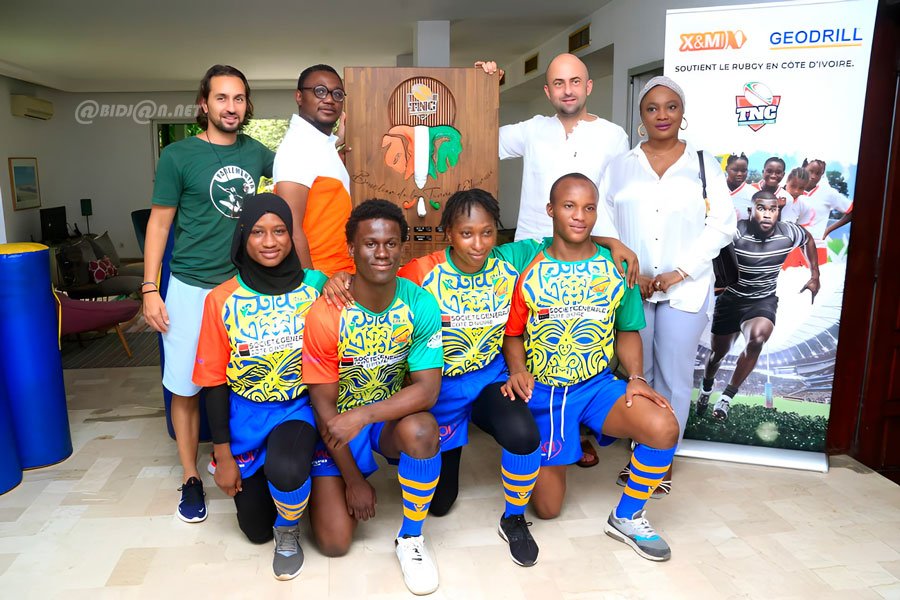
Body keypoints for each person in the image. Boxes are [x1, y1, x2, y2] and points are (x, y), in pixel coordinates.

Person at [502, 172, 679, 562]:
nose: (579, 216)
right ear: (550, 210)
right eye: (569, 206)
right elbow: (512, 333)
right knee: (547, 509)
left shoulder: (618, 267)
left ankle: (627, 517)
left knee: (664, 425)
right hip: (546, 394)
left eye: (588, 207)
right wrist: (517, 369)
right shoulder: (526, 263)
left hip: (597, 387)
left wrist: (635, 377)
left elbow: (629, 329)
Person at [142, 64, 275, 523]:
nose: (231, 107)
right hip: (189, 287)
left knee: (243, 379)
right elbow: (159, 225)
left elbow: (302, 180)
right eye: (221, 98)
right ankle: (190, 477)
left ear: (247, 104)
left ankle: (236, 458)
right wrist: (148, 288)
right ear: (204, 104)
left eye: (238, 99)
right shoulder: (178, 156)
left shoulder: (259, 153)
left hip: (242, 289)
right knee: (185, 385)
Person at [593, 76, 735, 495]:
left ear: (682, 113)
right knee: (640, 372)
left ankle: (661, 460)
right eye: (652, 108)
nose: (661, 115)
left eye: (670, 106)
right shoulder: (620, 165)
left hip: (685, 287)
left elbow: (721, 225)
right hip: (632, 286)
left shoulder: (705, 164)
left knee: (673, 376)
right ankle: (644, 450)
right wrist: (622, 254)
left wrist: (679, 271)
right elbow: (601, 218)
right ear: (641, 116)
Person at [302, 200, 444, 596]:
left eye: (390, 243)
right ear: (351, 248)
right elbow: (324, 407)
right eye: (370, 244)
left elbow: (428, 391)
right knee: (334, 543)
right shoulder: (327, 313)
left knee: (422, 430)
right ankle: (334, 479)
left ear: (402, 248)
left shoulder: (419, 303)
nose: (381, 253)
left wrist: (364, 416)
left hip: (378, 419)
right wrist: (353, 481)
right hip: (335, 428)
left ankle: (411, 539)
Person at [397, 189, 543, 567]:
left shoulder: (511, 259)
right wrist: (339, 283)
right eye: (466, 233)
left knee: (524, 434)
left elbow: (567, 235)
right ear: (448, 232)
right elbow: (375, 290)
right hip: (439, 391)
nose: (478, 244)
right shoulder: (421, 272)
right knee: (441, 505)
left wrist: (612, 244)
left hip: (489, 380)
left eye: (487, 232)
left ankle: (513, 518)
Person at [192, 194, 325, 580]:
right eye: (258, 232)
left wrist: (341, 281)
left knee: (285, 470)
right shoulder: (221, 299)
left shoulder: (315, 286)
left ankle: (289, 529)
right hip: (245, 413)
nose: (270, 242)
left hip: (298, 407)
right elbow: (213, 381)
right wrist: (223, 454)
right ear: (243, 238)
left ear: (292, 235)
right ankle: (289, 491)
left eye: (280, 231)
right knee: (253, 531)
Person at [697, 191, 820, 420]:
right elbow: (708, 248)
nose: (767, 214)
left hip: (762, 301)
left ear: (778, 212)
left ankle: (726, 398)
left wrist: (815, 275)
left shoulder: (788, 233)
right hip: (731, 300)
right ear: (751, 211)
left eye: (772, 209)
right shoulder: (735, 232)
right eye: (761, 208)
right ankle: (706, 388)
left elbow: (809, 239)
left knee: (757, 340)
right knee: (716, 355)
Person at [274, 64, 354, 276]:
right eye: (319, 91)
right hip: (320, 278)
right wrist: (311, 285)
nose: (329, 99)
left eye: (337, 94)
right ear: (299, 96)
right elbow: (290, 228)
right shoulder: (296, 149)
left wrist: (336, 140)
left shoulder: (318, 144)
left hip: (338, 273)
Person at [804, 158, 853, 262]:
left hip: (816, 247)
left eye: (818, 174)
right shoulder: (790, 190)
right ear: (804, 168)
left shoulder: (828, 193)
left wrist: (828, 230)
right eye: (810, 171)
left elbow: (852, 211)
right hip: (791, 249)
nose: (813, 176)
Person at [752, 157, 814, 227]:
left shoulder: (787, 198)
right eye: (769, 171)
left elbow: (784, 227)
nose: (773, 175)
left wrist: (779, 209)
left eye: (778, 172)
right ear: (763, 172)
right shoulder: (750, 190)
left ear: (783, 175)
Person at [725, 153, 755, 220]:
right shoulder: (715, 189)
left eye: (743, 171)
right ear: (726, 169)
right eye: (735, 170)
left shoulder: (753, 194)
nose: (739, 174)